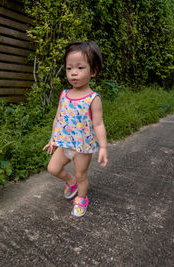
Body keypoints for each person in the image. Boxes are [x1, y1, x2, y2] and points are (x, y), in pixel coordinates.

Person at [43, 41, 108, 217]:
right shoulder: (64, 95)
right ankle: (69, 182)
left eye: (80, 67)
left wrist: (102, 147)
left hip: (84, 147)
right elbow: (58, 118)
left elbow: (98, 124)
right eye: (69, 68)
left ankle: (81, 197)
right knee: (53, 168)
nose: (73, 72)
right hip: (65, 144)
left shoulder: (93, 99)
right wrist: (52, 139)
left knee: (81, 175)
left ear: (93, 71)